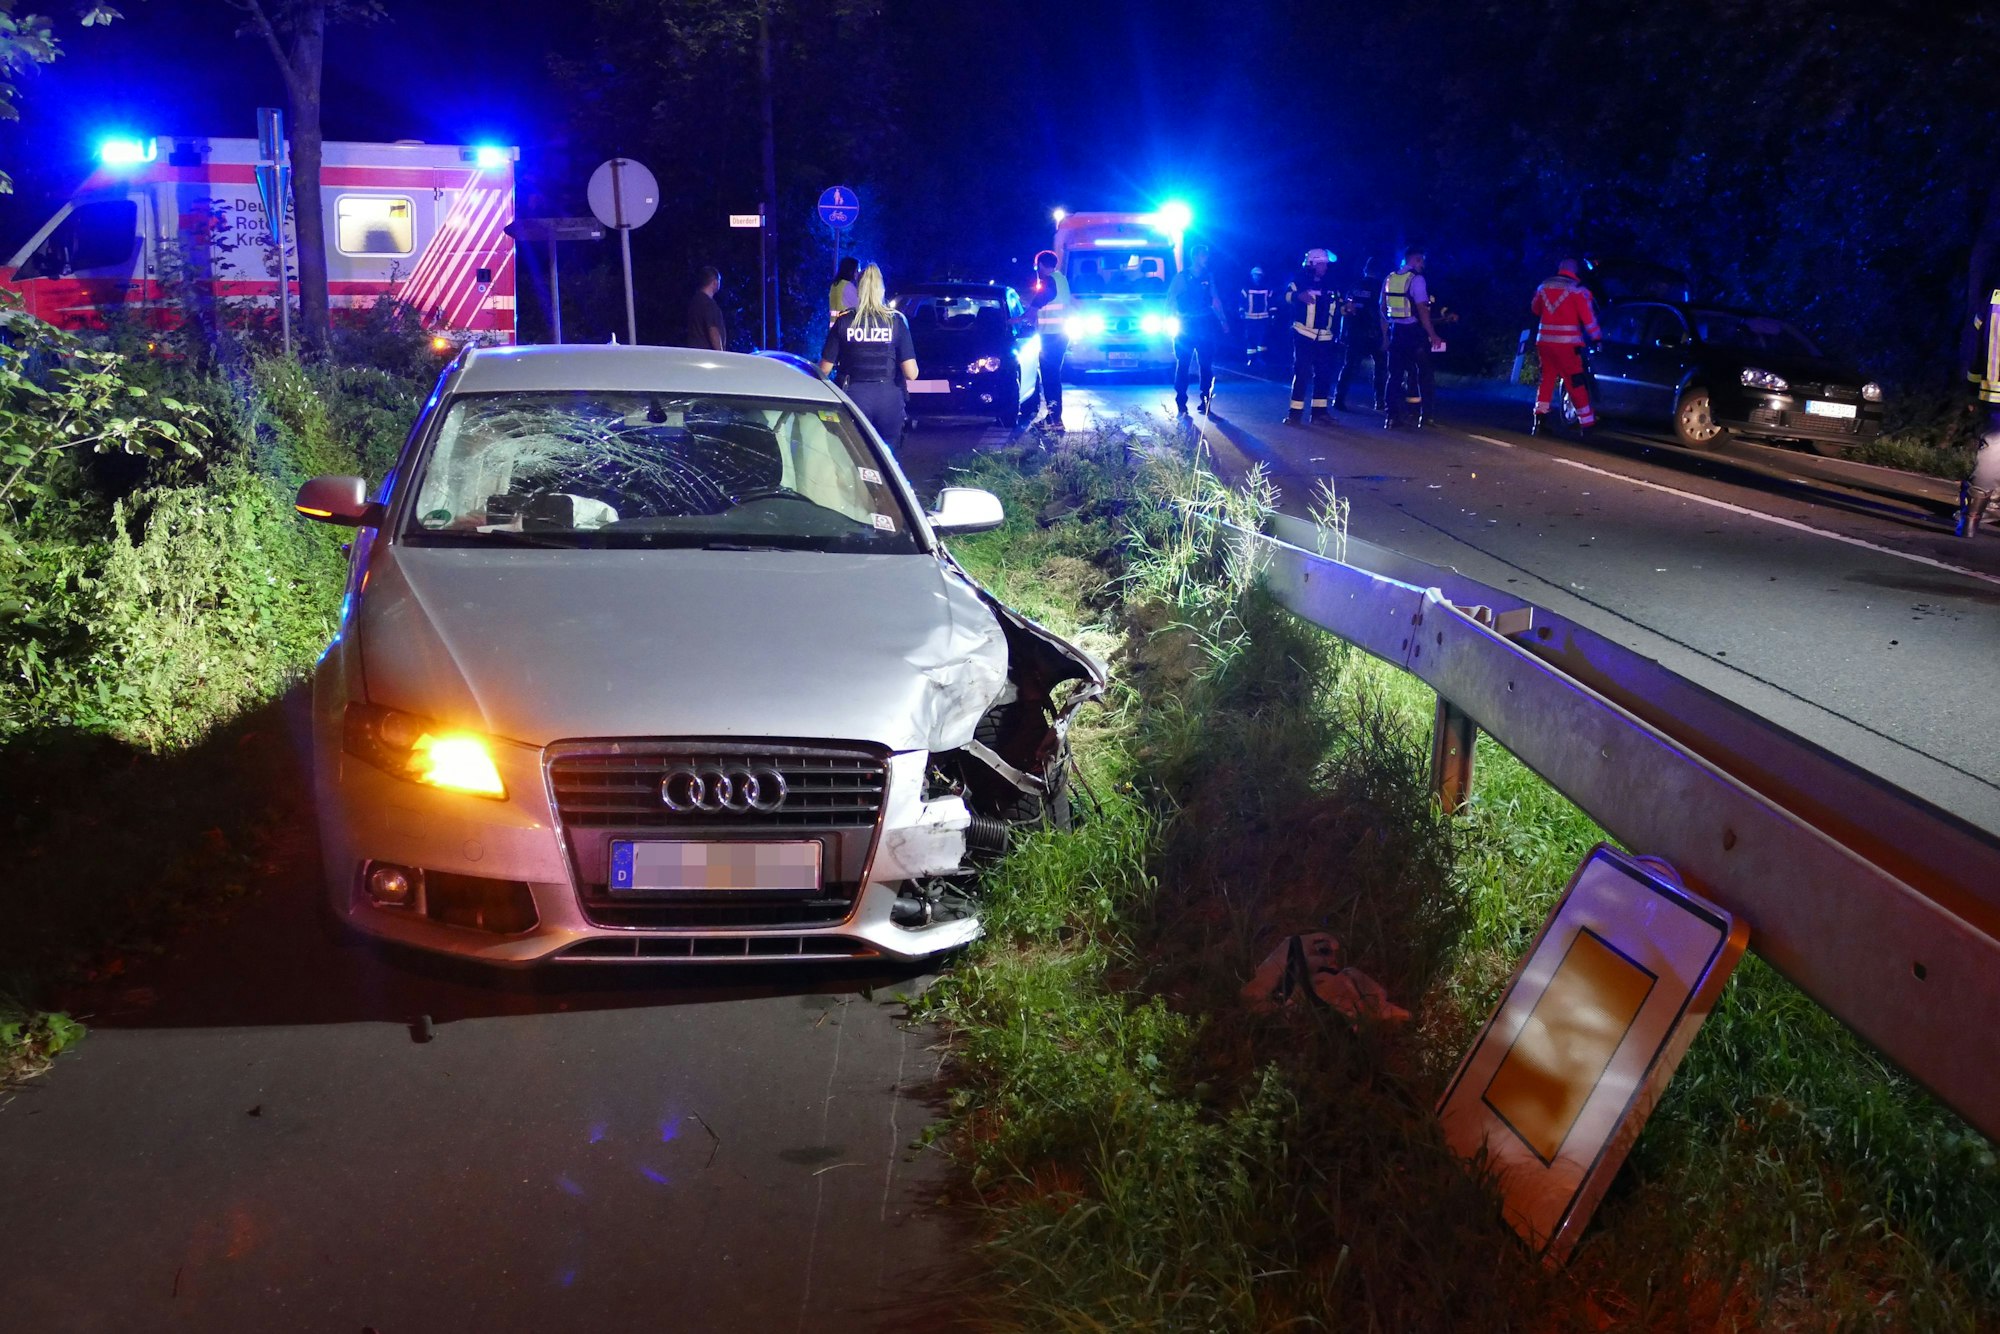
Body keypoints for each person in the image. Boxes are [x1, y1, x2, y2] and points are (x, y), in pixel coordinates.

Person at [819, 263, 918, 446]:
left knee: (855, 454)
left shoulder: (844, 321)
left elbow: (824, 369)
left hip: (854, 396)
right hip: (889, 398)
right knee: (888, 457)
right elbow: (911, 373)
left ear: (858, 288)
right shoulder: (895, 322)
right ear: (881, 289)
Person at [1529, 259, 1603, 438]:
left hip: (1545, 343)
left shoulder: (1543, 286)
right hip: (1567, 345)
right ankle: (1587, 424)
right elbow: (1588, 319)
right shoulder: (1578, 290)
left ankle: (1539, 423)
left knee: (1546, 381)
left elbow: (1535, 310)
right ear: (1575, 271)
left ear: (1559, 268)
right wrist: (1597, 338)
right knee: (1575, 382)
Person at [1381, 246, 1442, 429]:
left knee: (1395, 376)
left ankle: (1392, 417)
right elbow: (1423, 310)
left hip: (1396, 332)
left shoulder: (1390, 278)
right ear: (1414, 260)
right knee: (1425, 373)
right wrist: (1433, 334)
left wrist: (1385, 335)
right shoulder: (1417, 280)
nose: (1423, 264)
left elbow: (1382, 308)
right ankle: (1426, 416)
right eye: (1421, 260)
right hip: (1414, 333)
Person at [1167, 244, 1231, 415]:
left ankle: (1206, 400)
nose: (1207, 258)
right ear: (1195, 256)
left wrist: (1223, 321)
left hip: (1204, 325)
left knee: (1206, 365)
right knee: (1184, 364)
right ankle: (1181, 400)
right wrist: (1169, 319)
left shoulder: (1208, 277)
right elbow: (1171, 299)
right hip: (1186, 325)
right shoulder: (1181, 278)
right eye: (1204, 255)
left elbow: (1215, 299)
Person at [1283, 247, 1340, 424]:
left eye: (1325, 264)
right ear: (1312, 264)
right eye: (1322, 264)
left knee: (1324, 374)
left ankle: (1319, 413)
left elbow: (1338, 303)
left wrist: (1345, 308)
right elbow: (1283, 296)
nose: (1325, 268)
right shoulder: (1298, 283)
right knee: (1302, 372)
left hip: (1325, 337)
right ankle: (1295, 413)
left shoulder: (1330, 284)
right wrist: (1297, 296)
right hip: (1303, 335)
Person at [1024, 249, 1071, 430]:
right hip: (1060, 334)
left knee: (1050, 377)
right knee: (1053, 377)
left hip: (1051, 336)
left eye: (1038, 266)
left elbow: (1035, 306)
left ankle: (1054, 420)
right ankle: (1054, 418)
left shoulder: (1048, 282)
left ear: (1042, 265)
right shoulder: (1061, 279)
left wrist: (1017, 319)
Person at [1334, 257, 1385, 413]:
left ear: (1365, 269)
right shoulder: (1380, 287)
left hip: (1354, 332)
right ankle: (1381, 400)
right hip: (1373, 332)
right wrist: (1384, 334)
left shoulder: (1354, 286)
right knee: (1381, 367)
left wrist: (1344, 333)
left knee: (1349, 366)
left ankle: (1339, 398)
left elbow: (1346, 310)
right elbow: (1381, 312)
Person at [685, 266, 726, 352]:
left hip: (693, 353)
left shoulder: (694, 301)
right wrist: (721, 354)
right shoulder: (709, 304)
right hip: (708, 356)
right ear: (715, 282)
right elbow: (713, 330)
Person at [1239, 266, 1273, 362]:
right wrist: (1241, 312)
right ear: (1251, 276)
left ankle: (1262, 357)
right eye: (1255, 275)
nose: (1257, 277)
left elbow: (1271, 301)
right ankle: (1251, 359)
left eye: (1259, 275)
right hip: (1250, 317)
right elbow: (1241, 301)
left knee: (1262, 338)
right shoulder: (1246, 288)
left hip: (1264, 317)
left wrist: (1273, 313)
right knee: (1250, 338)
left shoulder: (1267, 288)